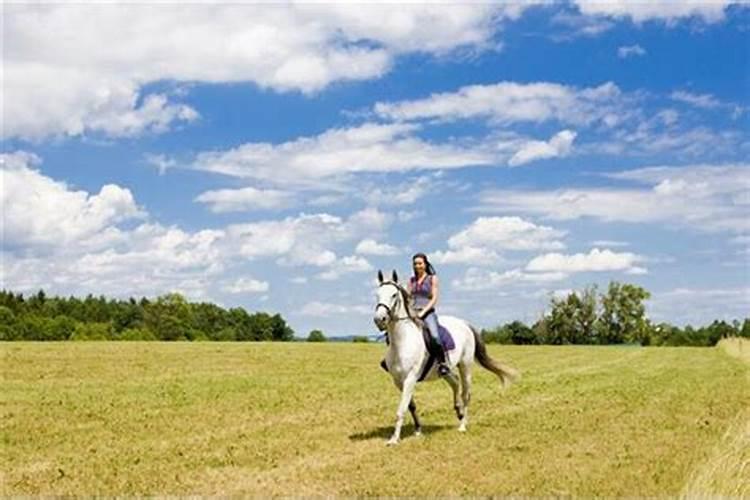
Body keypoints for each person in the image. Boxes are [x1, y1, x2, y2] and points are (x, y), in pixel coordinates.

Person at [409, 253, 451, 376]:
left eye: (420, 263)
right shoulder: (411, 280)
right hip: (413, 312)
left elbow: (434, 299)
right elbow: (408, 297)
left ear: (425, 264)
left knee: (434, 336)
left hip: (427, 312)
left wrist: (423, 312)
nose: (417, 266)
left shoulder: (432, 278)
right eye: (415, 263)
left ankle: (442, 363)